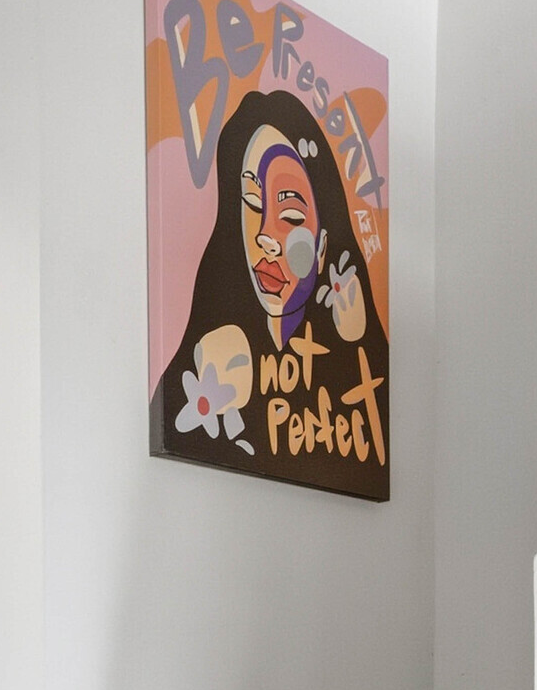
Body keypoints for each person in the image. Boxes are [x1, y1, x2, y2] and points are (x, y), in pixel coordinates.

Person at [152, 87, 390, 497]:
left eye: (292, 215)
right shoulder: (218, 348)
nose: (265, 237)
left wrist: (356, 347)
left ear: (323, 241)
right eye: (250, 201)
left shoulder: (350, 348)